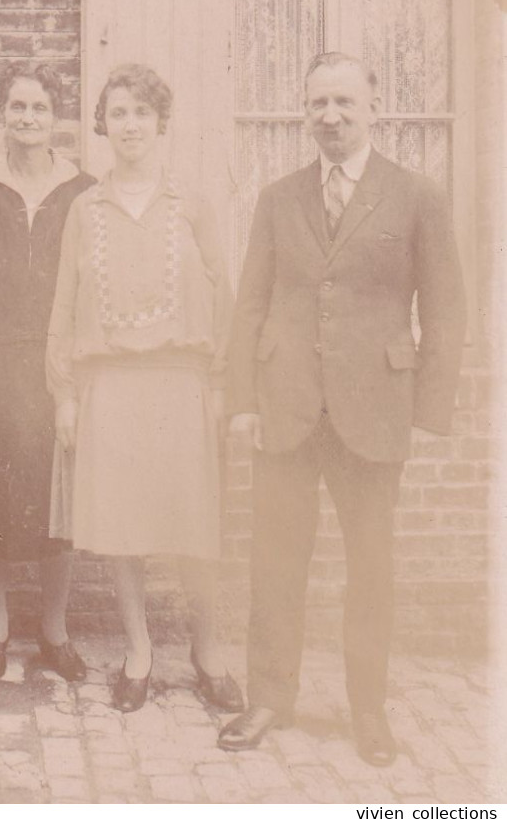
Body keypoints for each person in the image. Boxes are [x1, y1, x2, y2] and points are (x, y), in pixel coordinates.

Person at [219, 51, 465, 765]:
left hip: (373, 411)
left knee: (371, 567)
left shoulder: (415, 195)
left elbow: (444, 307)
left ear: (372, 110)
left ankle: (367, 711)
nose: (330, 117)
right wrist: (240, 400)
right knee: (274, 562)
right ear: (305, 111)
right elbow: (250, 302)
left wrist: (428, 408)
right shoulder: (277, 196)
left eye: (344, 104)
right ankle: (268, 696)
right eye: (317, 104)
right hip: (286, 407)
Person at [46, 64, 243, 714]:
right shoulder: (84, 209)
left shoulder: (191, 204)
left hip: (181, 386)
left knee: (194, 529)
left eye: (141, 112)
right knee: (121, 529)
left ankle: (208, 651)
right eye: (118, 112)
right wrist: (66, 394)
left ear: (161, 122)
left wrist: (219, 384)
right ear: (105, 124)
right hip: (111, 387)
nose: (129, 124)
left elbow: (223, 298)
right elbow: (63, 306)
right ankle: (139, 652)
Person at [0, 64, 95, 681]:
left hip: (57, 362)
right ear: (1, 114)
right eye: (16, 106)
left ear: (56, 118)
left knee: (57, 498)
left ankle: (54, 629)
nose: (27, 119)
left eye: (39, 108)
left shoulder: (81, 192)